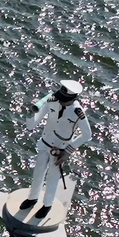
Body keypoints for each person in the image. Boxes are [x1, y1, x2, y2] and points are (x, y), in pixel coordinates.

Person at [20, 80, 91, 219]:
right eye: (61, 97)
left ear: (73, 98)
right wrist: (30, 115)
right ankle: (32, 198)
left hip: (60, 150)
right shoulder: (52, 101)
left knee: (52, 177)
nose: (61, 102)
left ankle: (47, 205)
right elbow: (32, 126)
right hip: (45, 144)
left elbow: (87, 135)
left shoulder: (78, 112)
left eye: (65, 100)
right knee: (38, 173)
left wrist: (67, 152)